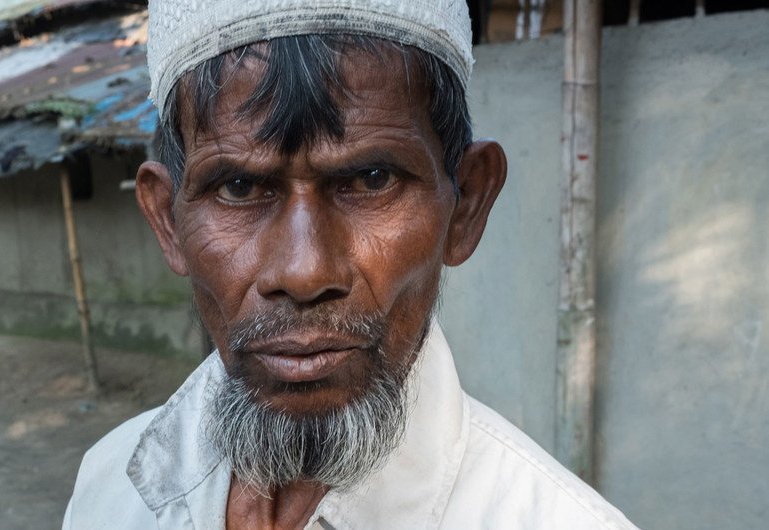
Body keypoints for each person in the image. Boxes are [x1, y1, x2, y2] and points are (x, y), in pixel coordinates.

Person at [64, 1, 637, 528]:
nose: (305, 272)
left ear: (465, 203)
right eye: (238, 187)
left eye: (371, 179)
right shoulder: (109, 488)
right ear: (167, 220)